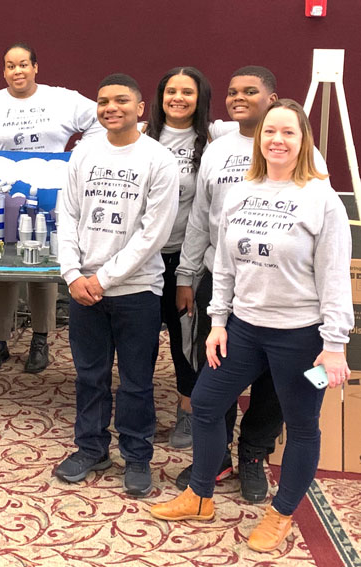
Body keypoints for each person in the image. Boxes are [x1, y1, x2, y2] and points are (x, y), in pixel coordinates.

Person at [151, 98, 351, 553]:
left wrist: (334, 344)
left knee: (302, 426)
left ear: (304, 142)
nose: (277, 140)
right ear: (259, 139)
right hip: (243, 328)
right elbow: (224, 264)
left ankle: (281, 513)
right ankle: (200, 494)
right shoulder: (242, 190)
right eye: (270, 132)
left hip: (300, 336)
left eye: (288, 133)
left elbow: (336, 277)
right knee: (204, 403)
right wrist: (218, 321)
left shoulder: (321, 199)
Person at [173, 67, 327, 502]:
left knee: (277, 390)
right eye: (232, 91)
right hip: (225, 288)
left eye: (251, 91)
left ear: (274, 98)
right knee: (214, 377)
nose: (238, 97)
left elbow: (322, 242)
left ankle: (254, 454)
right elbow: (201, 219)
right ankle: (215, 456)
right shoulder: (220, 151)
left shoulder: (310, 163)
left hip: (291, 301)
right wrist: (188, 275)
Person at [55, 74, 178, 497]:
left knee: (136, 380)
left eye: (121, 100)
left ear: (141, 107)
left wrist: (103, 279)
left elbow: (153, 233)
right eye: (103, 100)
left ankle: (138, 455)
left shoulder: (158, 159)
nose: (111, 107)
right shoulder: (83, 153)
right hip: (84, 290)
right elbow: (66, 216)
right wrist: (72, 274)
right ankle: (91, 449)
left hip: (137, 291)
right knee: (89, 377)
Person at [0, 41, 102, 374]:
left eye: (23, 64)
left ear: (36, 67)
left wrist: (77, 155)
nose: (17, 71)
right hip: (2, 199)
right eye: (10, 66)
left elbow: (100, 119)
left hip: (50, 195)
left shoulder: (61, 98)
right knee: (2, 269)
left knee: (42, 270)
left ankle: (41, 340)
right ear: (4, 71)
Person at [145, 67, 237, 449]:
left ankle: (187, 411)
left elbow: (265, 122)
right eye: (170, 91)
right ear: (160, 96)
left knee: (186, 342)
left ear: (201, 98)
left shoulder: (216, 136)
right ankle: (140, 409)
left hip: (188, 261)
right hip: (143, 259)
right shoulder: (144, 137)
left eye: (187, 91)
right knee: (141, 340)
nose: (177, 98)